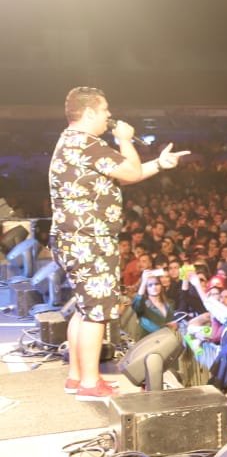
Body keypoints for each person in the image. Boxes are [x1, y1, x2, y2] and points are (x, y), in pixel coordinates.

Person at [51, 87, 188, 400]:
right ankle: (89, 382)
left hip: (76, 238)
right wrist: (125, 140)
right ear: (88, 113)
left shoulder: (73, 142)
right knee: (96, 312)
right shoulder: (86, 143)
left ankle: (76, 376)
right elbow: (130, 168)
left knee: (85, 309)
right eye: (104, 111)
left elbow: (128, 175)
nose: (109, 117)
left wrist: (159, 164)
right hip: (89, 240)